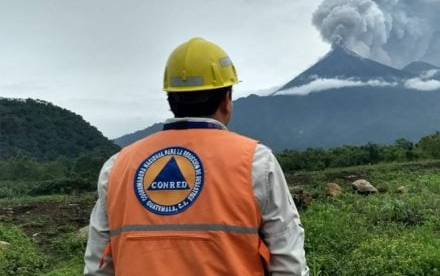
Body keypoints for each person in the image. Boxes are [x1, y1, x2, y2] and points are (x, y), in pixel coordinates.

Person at [84, 37, 310, 275]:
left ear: (170, 99)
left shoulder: (118, 166)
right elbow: (289, 264)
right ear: (226, 99)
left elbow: (98, 266)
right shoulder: (255, 161)